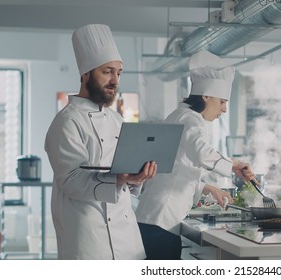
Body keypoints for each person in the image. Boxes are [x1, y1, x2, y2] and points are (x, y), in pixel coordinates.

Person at [45, 24, 157, 260]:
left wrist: (137, 178)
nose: (115, 80)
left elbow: (124, 178)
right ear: (86, 74)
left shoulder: (116, 119)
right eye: (107, 71)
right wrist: (118, 179)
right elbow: (70, 181)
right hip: (89, 239)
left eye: (119, 72)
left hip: (126, 240)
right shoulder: (66, 122)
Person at [135, 50, 257, 260]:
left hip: (155, 218)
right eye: (222, 102)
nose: (224, 109)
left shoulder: (181, 115)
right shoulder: (190, 119)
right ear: (206, 96)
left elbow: (176, 170)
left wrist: (210, 188)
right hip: (161, 220)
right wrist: (235, 165)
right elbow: (201, 153)